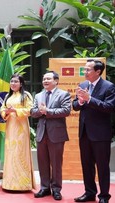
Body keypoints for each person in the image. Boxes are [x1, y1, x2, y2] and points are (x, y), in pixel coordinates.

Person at [73, 59, 115, 203]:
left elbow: (109, 107)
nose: (85, 72)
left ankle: (104, 196)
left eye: (88, 70)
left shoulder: (109, 87)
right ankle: (89, 192)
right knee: (87, 165)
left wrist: (90, 99)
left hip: (100, 134)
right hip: (84, 132)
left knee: (102, 166)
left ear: (98, 72)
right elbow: (75, 106)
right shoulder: (83, 85)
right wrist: (80, 101)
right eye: (84, 69)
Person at [30, 71, 71, 201]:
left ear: (56, 81)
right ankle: (44, 188)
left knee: (56, 163)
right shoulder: (39, 95)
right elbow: (33, 112)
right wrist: (39, 111)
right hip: (42, 133)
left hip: (56, 134)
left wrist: (47, 111)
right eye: (44, 79)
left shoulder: (63, 94)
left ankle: (56, 189)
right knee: (42, 163)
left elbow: (66, 110)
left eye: (48, 79)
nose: (45, 81)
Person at [0, 74, 35, 191]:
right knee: (10, 153)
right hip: (10, 127)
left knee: (20, 152)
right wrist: (7, 112)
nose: (13, 84)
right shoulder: (8, 96)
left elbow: (30, 109)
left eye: (16, 81)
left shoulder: (26, 95)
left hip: (21, 127)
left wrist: (16, 110)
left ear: (21, 84)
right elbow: (2, 109)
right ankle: (9, 183)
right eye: (12, 81)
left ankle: (22, 184)